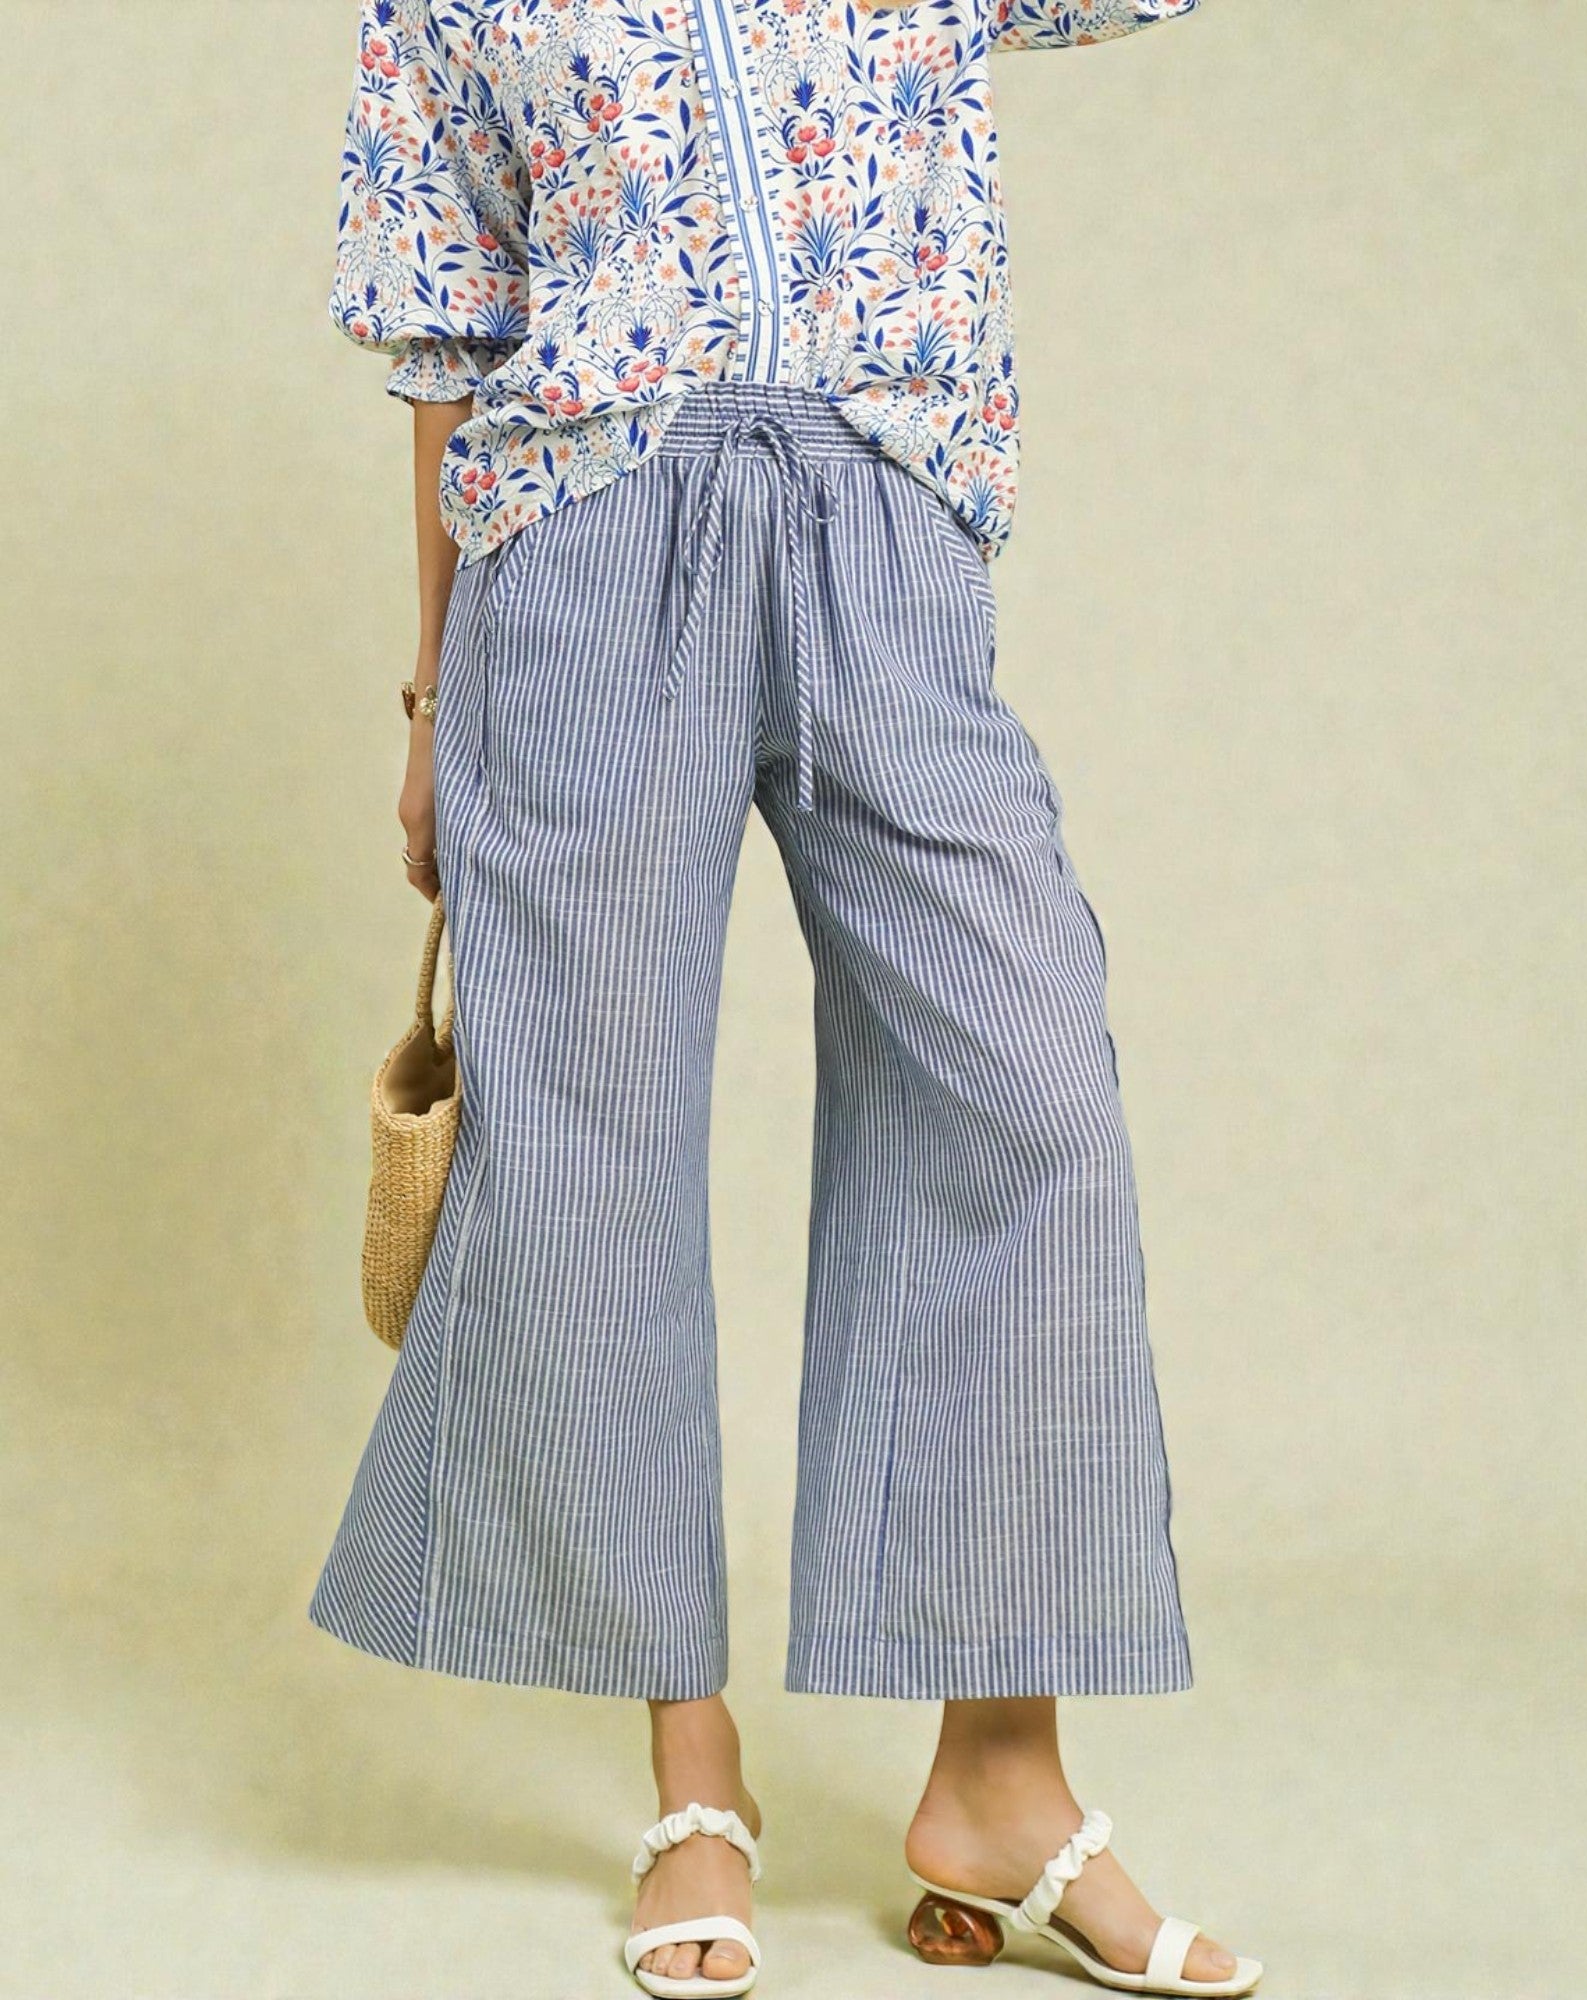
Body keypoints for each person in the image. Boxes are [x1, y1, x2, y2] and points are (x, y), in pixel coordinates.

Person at [310, 0, 1263, 1993]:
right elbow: (441, 322)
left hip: (880, 530)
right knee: (590, 1155)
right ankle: (692, 1768)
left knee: (1025, 1091)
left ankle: (996, 1778)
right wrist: (430, 694)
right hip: (575, 551)